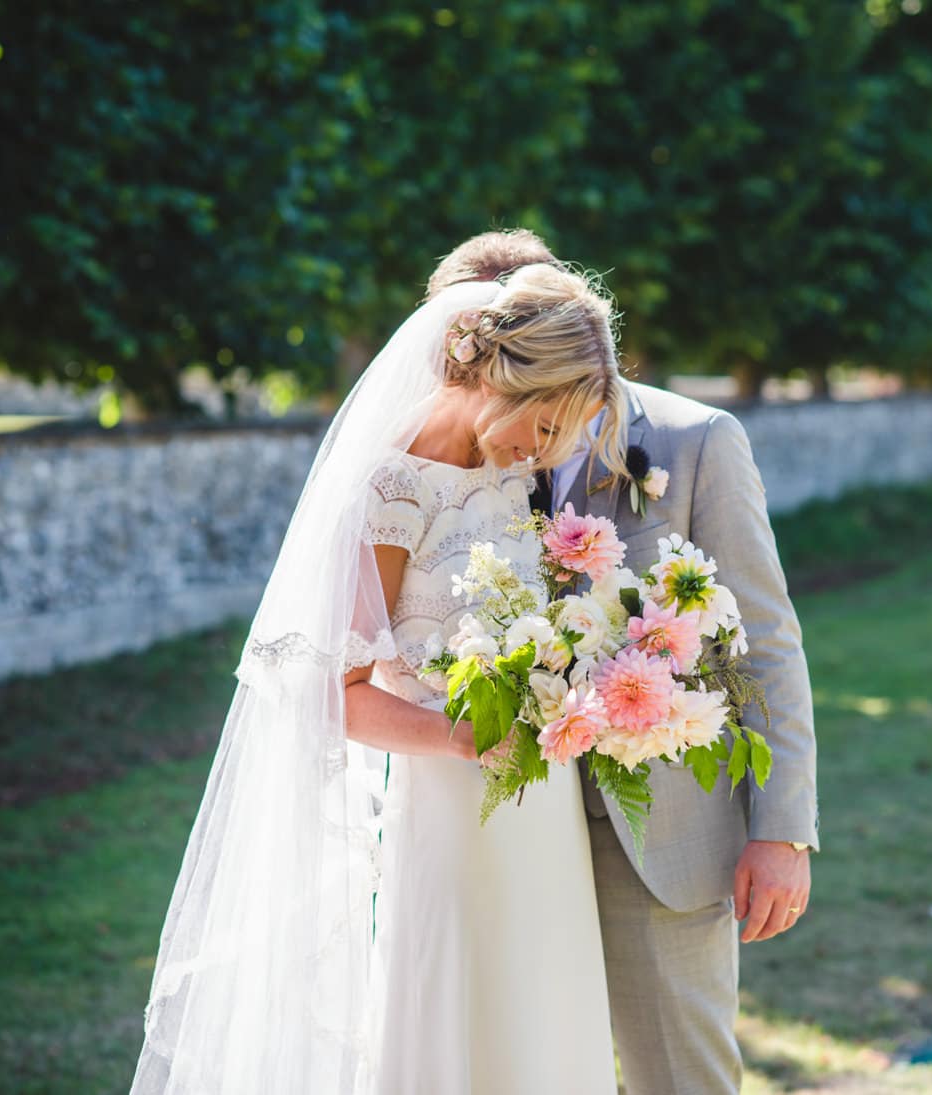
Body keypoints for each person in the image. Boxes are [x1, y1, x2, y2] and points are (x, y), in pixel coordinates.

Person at [131, 261, 633, 1093]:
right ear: (500, 384)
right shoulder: (393, 486)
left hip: (545, 805)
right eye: (544, 428)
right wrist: (463, 736)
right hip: (451, 810)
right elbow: (336, 693)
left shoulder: (517, 476)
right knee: (463, 1023)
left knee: (548, 1018)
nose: (547, 452)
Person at [427, 230, 821, 1095]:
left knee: (679, 1079)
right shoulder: (451, 461)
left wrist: (783, 829)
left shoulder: (697, 442)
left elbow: (768, 637)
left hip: (662, 838)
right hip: (500, 831)